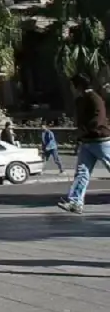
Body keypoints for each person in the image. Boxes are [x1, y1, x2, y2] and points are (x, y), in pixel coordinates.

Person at [58, 74, 110, 214]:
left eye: (72, 86)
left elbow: (97, 119)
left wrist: (82, 131)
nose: (71, 89)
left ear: (78, 86)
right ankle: (75, 202)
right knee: (82, 172)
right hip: (87, 141)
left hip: (100, 141)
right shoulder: (81, 100)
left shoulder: (94, 98)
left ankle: (75, 201)